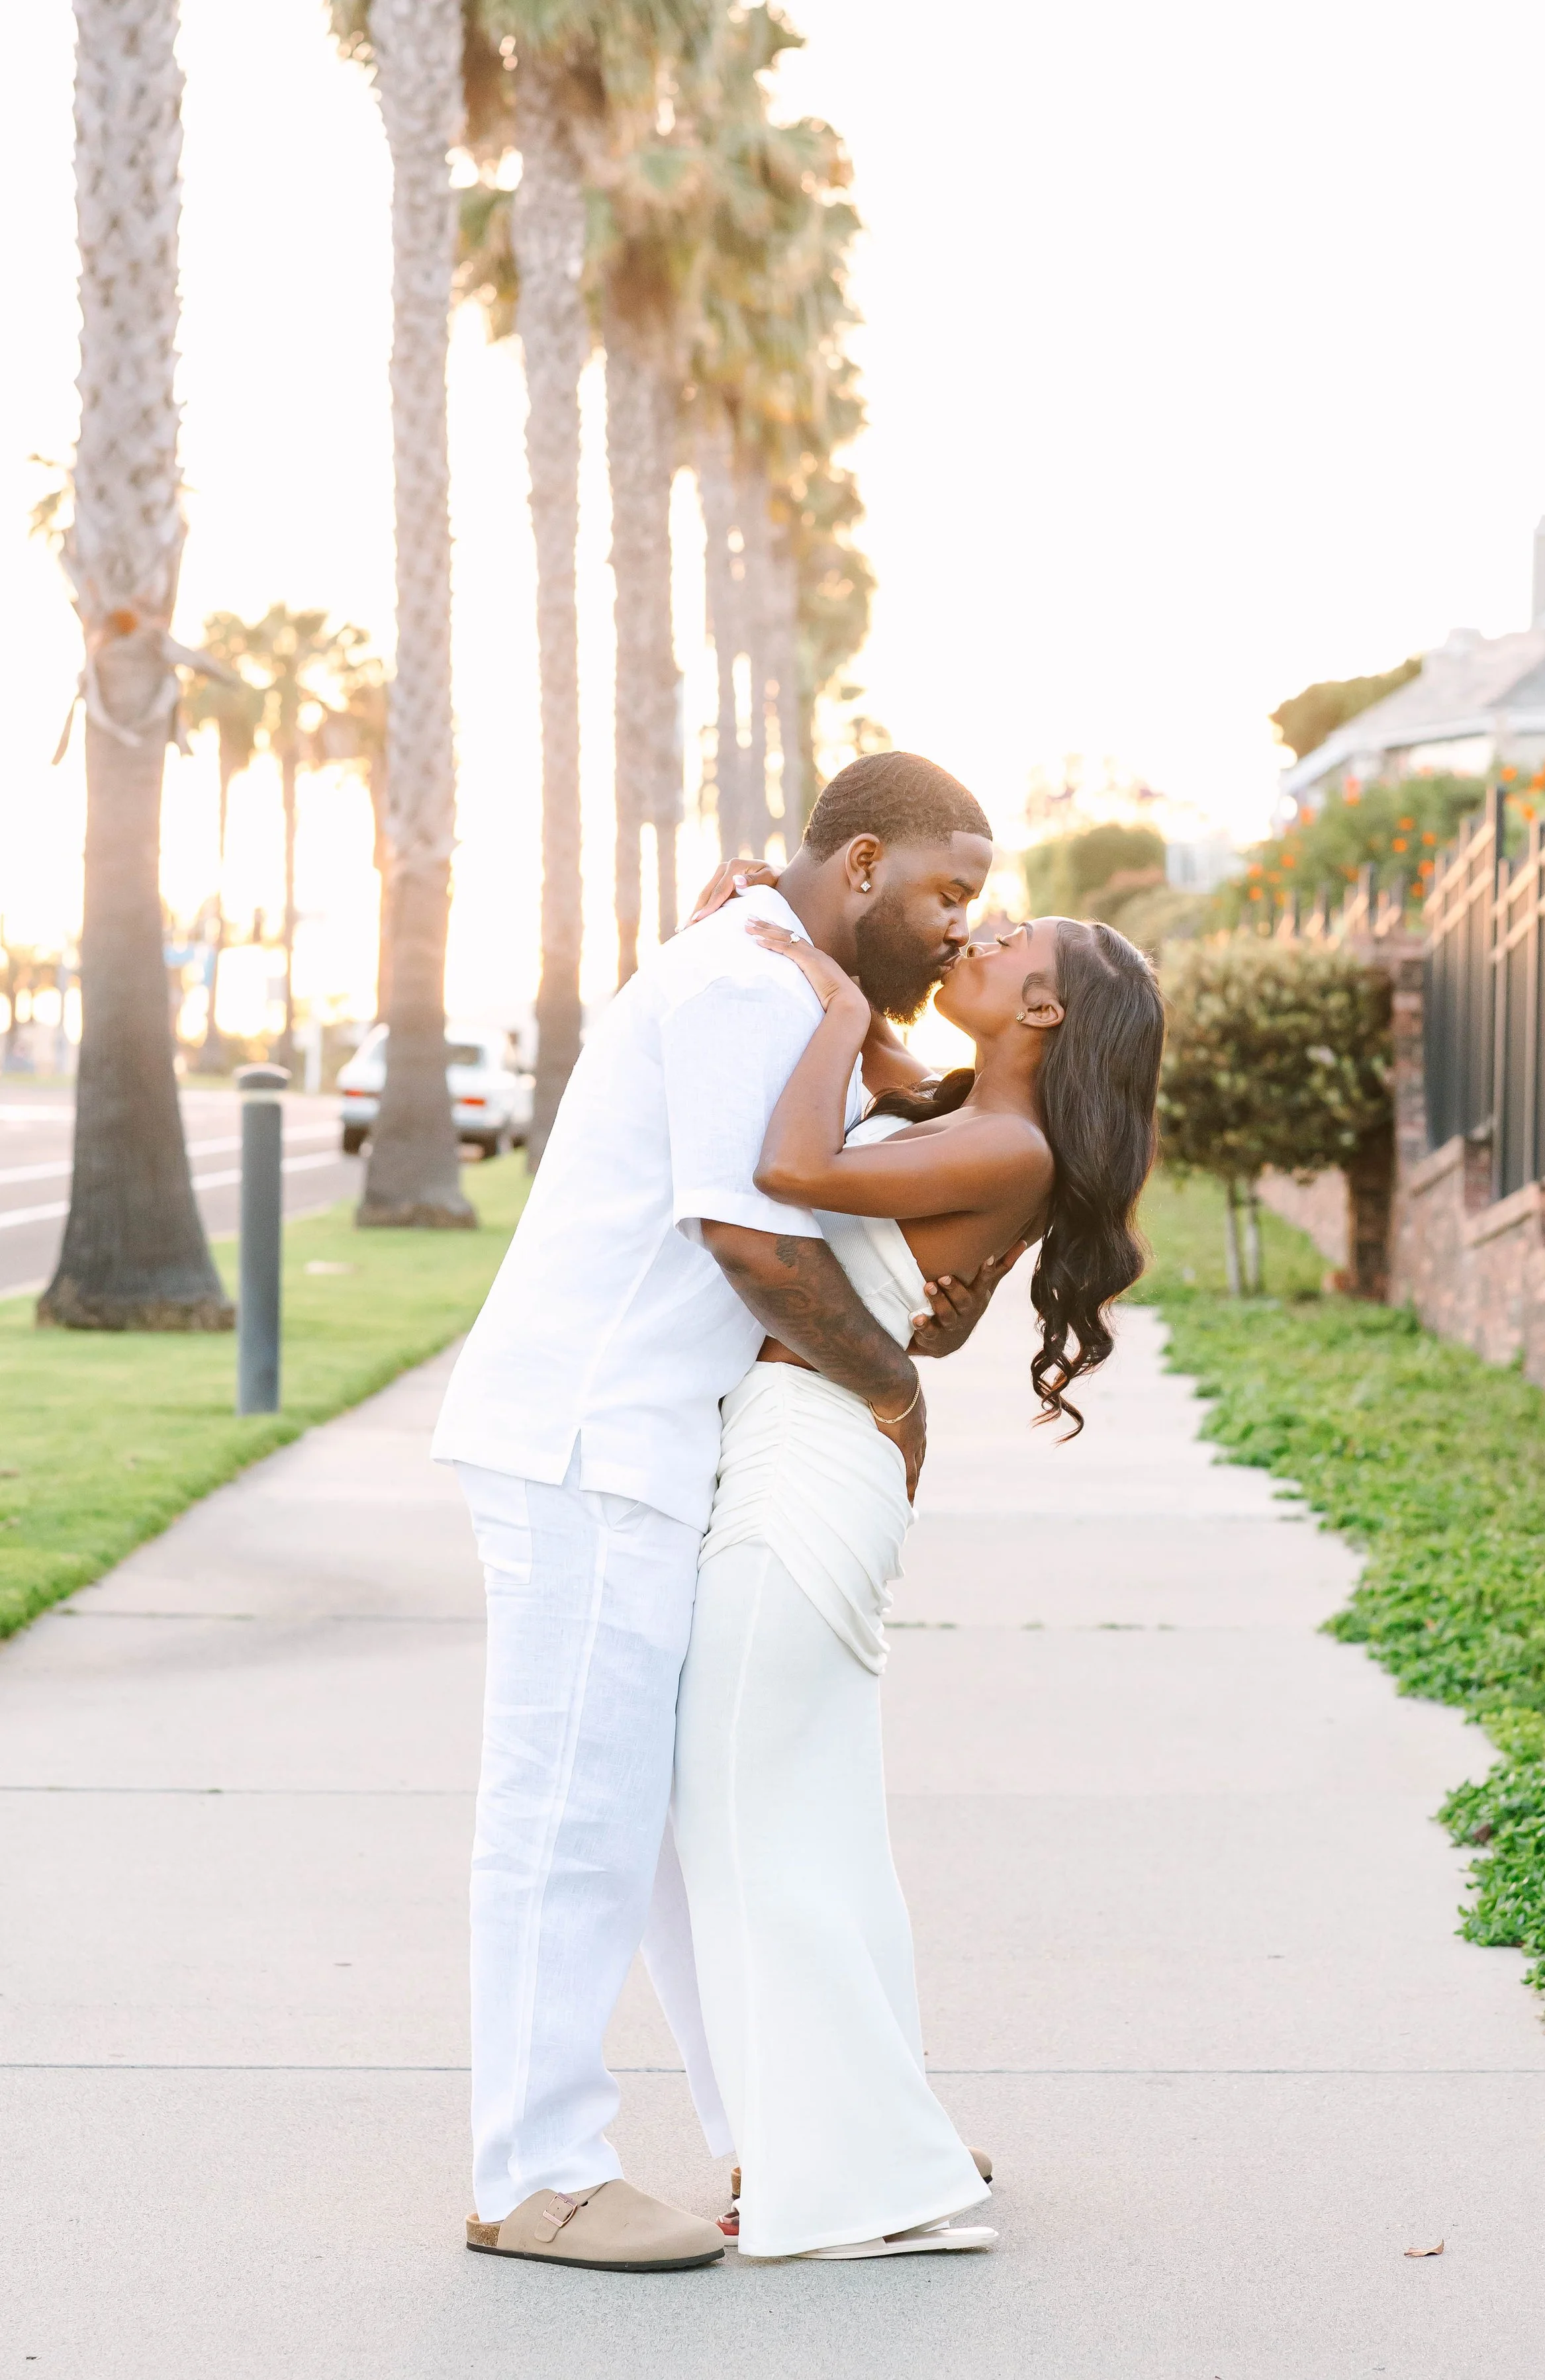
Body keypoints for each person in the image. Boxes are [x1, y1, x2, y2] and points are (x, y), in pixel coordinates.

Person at [432, 752, 1008, 2274]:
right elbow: (748, 1237)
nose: (964, 928)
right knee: (576, 1815)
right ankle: (532, 2169)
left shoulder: (784, 975)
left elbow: (896, 1121)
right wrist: (893, 1391)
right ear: (867, 863)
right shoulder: (750, 985)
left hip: (644, 1444)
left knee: (677, 1819)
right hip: (587, 1438)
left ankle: (790, 2131)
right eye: (950, 890)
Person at [671, 903, 1165, 2260]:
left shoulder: (1004, 1140)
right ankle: (868, 2146)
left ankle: (853, 2179)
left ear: (1045, 1010)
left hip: (806, 1467)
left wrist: (828, 1005)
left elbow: (789, 1168)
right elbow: (883, 1129)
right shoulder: (968, 1112)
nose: (984, 930)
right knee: (798, 1827)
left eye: (1017, 938)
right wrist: (793, 940)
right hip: (807, 1452)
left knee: (743, 1822)